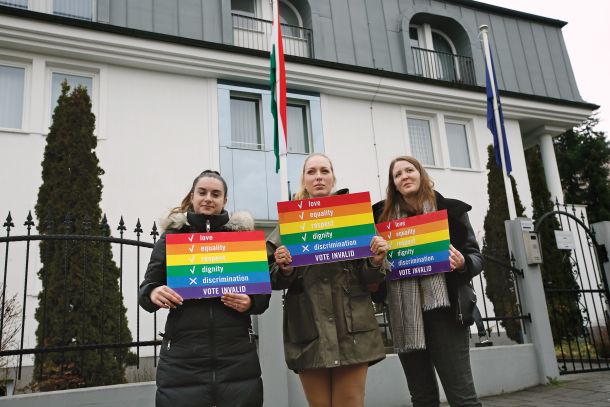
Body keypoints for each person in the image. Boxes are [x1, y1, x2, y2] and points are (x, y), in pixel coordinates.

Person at [139, 170, 270, 407]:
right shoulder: (172, 238)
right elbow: (147, 287)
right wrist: (153, 292)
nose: (208, 198)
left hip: (236, 357)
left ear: (224, 201)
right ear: (192, 196)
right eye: (202, 192)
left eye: (215, 193)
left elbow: (262, 296)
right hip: (183, 359)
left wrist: (250, 302)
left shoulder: (241, 239)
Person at [267, 153, 389, 407]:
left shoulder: (356, 216)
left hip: (353, 328)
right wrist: (285, 269)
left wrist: (376, 261)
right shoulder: (290, 223)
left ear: (333, 177)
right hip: (308, 329)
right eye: (311, 172)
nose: (318, 177)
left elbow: (369, 277)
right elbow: (270, 277)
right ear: (303, 179)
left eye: (324, 171)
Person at [374, 156, 482, 407]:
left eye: (409, 170)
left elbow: (476, 257)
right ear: (394, 184)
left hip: (446, 313)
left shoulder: (451, 212)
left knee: (463, 397)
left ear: (421, 174)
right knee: (422, 398)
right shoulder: (380, 220)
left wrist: (463, 262)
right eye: (397, 174)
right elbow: (375, 272)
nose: (404, 176)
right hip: (404, 315)